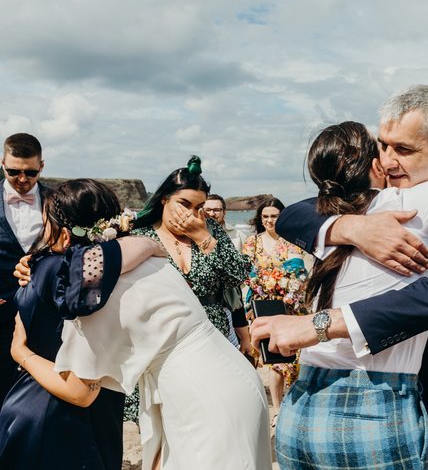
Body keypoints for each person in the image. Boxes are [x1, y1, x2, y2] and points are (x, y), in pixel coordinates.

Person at [250, 85, 428, 469]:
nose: (389, 161)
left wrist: (319, 325)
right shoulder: (370, 204)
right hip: (381, 397)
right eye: (383, 145)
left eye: (404, 149)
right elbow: (295, 214)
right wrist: (350, 227)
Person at [7, 179, 272, 469]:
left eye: (45, 224)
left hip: (201, 394)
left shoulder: (93, 296)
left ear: (65, 236)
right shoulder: (144, 256)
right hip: (228, 375)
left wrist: (21, 353)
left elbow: (80, 392)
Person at [0, 179, 162, 469]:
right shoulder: (102, 278)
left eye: (45, 222)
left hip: (49, 407)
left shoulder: (58, 272)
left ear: (64, 235)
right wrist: (148, 243)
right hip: (72, 406)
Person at [121, 156, 253, 423]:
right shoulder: (141, 235)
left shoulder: (210, 230)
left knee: (209, 415)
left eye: (199, 207)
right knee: (163, 420)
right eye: (184, 204)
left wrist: (202, 238)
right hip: (159, 338)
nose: (192, 214)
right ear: (164, 200)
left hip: (209, 335)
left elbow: (239, 275)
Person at [243, 197, 310, 423]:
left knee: (293, 356)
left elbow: (299, 274)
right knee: (273, 357)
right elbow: (247, 274)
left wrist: (287, 286)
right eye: (265, 216)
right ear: (260, 218)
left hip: (290, 304)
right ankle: (277, 408)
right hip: (263, 304)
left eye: (274, 216)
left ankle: (293, 404)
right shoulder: (252, 242)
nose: (269, 220)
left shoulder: (291, 241)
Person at [0, 133, 48, 404]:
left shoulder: (57, 201)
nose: (22, 179)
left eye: (30, 172)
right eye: (13, 172)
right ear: (2, 164)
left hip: (43, 313)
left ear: (41, 166)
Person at [203, 193, 249, 348]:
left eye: (216, 210)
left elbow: (244, 266)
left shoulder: (237, 235)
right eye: (208, 209)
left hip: (233, 294)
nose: (212, 213)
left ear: (224, 212)